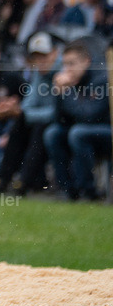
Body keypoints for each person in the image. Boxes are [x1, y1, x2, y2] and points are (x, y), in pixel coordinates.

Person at [43, 41, 111, 201]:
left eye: (72, 63)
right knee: (53, 133)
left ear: (86, 61)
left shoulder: (100, 79)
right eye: (65, 64)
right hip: (82, 130)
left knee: (77, 133)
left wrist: (66, 93)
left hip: (106, 130)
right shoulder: (72, 81)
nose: (67, 69)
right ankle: (67, 190)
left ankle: (88, 191)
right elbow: (58, 119)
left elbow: (88, 115)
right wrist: (59, 94)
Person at [0, 32, 60, 194]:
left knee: (38, 128)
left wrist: (25, 113)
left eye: (44, 56)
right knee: (21, 124)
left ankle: (23, 182)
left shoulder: (62, 73)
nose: (40, 61)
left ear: (54, 53)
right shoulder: (39, 74)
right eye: (36, 58)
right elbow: (28, 103)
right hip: (39, 120)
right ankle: (3, 179)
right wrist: (21, 112)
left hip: (58, 121)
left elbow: (56, 112)